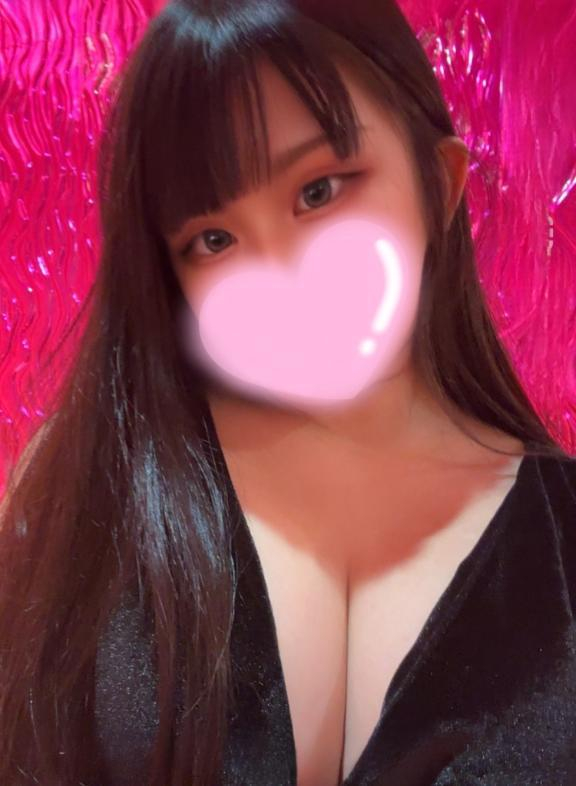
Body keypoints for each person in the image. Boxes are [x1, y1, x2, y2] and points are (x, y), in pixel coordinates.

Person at [0, 1, 572, 785]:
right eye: (214, 240)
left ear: (439, 184)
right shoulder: (87, 498)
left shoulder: (562, 544)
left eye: (320, 191)